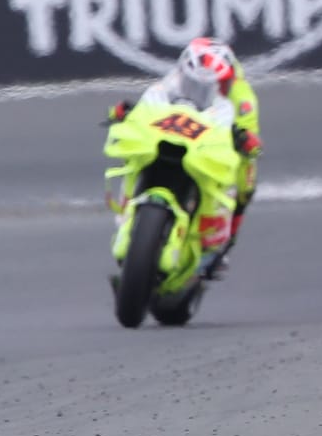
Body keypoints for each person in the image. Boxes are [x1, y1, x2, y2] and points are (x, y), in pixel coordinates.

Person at [103, 38, 260, 274]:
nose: (200, 88)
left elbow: (249, 134)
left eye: (217, 84)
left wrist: (246, 141)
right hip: (178, 132)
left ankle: (223, 246)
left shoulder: (243, 99)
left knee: (245, 186)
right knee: (136, 152)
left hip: (217, 141)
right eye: (192, 81)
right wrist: (125, 112)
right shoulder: (169, 85)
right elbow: (149, 105)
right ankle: (129, 209)